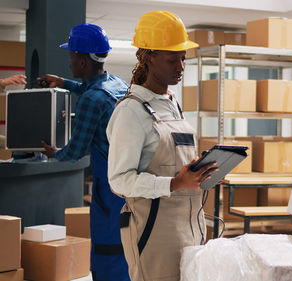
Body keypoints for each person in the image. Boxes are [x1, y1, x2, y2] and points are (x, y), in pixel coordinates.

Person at [106, 11, 217, 281]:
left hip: (191, 230)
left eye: (183, 58)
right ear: (149, 57)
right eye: (172, 59)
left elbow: (176, 166)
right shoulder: (131, 112)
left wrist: (200, 174)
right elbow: (119, 181)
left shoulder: (172, 105)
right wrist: (174, 184)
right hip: (153, 235)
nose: (180, 67)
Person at [37, 24, 130, 281]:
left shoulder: (91, 101)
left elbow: (75, 151)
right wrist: (64, 83)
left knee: (105, 252)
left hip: (107, 193)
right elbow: (93, 90)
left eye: (71, 57)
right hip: (128, 186)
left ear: (82, 61)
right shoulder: (118, 84)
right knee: (126, 250)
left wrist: (55, 153)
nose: (69, 63)